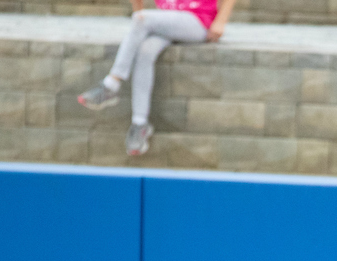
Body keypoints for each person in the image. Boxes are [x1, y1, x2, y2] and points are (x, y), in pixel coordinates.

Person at [77, 0, 237, 157]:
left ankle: (112, 83)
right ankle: (140, 123)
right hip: (167, 21)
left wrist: (220, 22)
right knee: (145, 51)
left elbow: (140, 17)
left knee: (142, 19)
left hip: (198, 21)